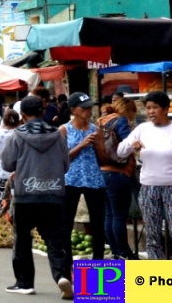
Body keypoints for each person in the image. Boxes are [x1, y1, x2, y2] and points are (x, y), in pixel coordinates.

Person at [0, 95, 72, 300]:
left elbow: (7, 164)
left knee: (22, 240)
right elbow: (66, 165)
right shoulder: (58, 135)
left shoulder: (16, 135)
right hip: (54, 195)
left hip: (26, 196)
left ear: (23, 115)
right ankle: (61, 277)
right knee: (55, 242)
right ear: (43, 112)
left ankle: (24, 283)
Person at [116, 92, 172, 260]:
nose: (151, 112)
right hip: (149, 187)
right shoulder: (142, 129)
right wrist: (131, 146)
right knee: (153, 233)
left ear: (166, 109)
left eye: (155, 107)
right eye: (148, 108)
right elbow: (120, 151)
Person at [59, 92, 105, 260]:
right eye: (84, 108)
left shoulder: (96, 129)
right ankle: (67, 261)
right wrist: (82, 145)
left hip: (93, 179)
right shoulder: (64, 130)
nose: (88, 111)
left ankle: (98, 260)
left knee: (97, 223)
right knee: (66, 222)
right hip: (71, 179)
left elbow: (102, 157)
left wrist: (99, 144)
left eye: (90, 108)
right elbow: (61, 158)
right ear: (73, 110)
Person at [96, 89, 137, 259]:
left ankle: (115, 251)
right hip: (118, 172)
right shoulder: (121, 121)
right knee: (119, 214)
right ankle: (124, 251)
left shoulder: (100, 121)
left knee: (109, 214)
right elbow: (129, 144)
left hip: (102, 171)